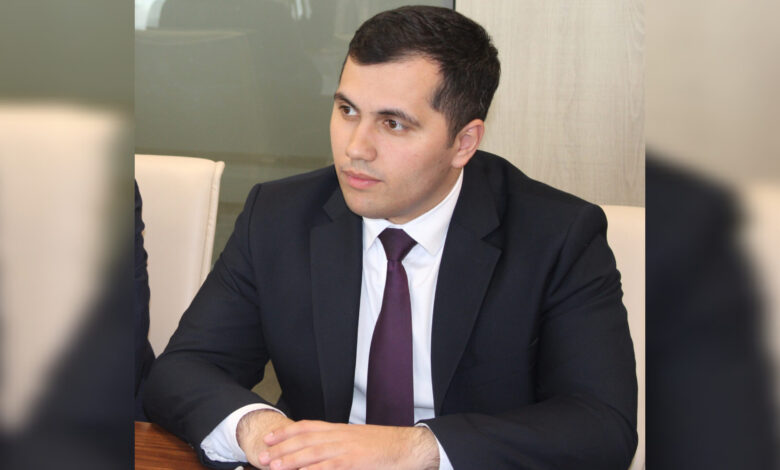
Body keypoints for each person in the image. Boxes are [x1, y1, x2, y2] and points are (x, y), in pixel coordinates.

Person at [144, 6, 637, 469]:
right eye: (347, 110)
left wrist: (412, 448)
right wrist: (262, 431)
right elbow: (183, 370)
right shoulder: (279, 216)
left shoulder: (557, 236)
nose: (356, 148)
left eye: (393, 123)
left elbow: (600, 426)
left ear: (463, 142)